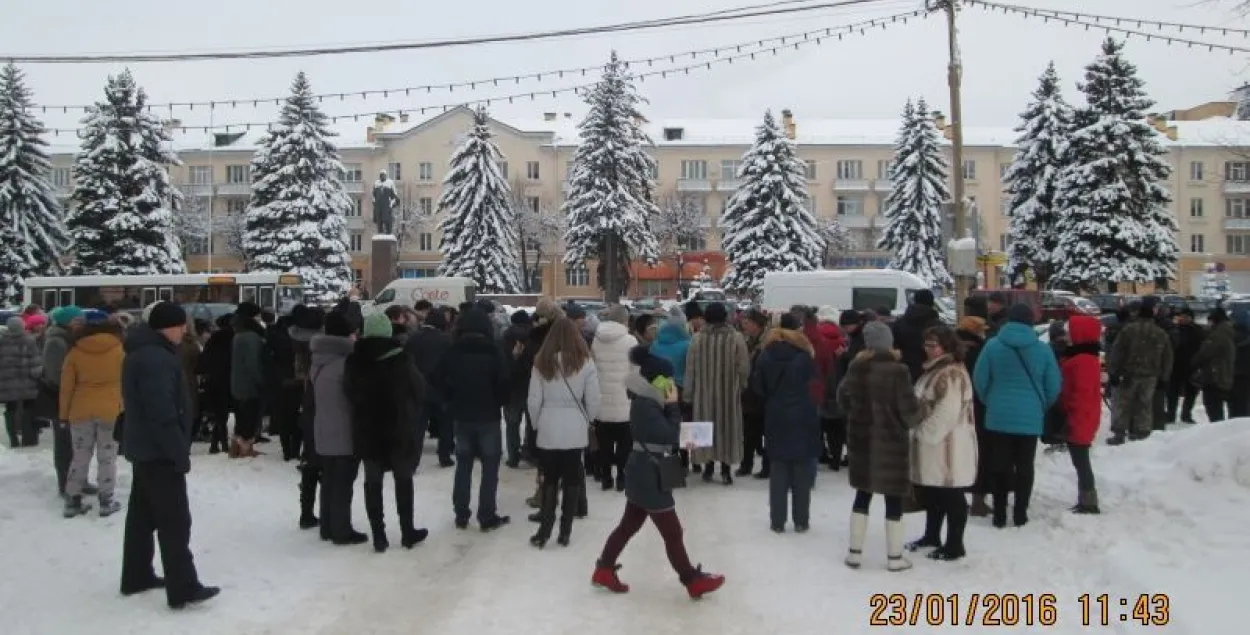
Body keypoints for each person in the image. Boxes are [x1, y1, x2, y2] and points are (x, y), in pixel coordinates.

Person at [591, 346, 725, 599]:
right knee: (672, 532)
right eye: (668, 380)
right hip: (648, 474)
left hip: (646, 469)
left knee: (628, 525)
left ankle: (604, 569)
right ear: (657, 380)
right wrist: (673, 408)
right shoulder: (645, 404)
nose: (672, 385)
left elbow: (665, 436)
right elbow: (668, 433)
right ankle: (691, 581)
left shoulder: (649, 401)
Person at [119, 302, 219, 609]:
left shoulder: (141, 351)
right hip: (160, 451)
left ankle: (136, 575)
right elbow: (161, 412)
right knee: (175, 520)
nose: (184, 330)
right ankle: (184, 586)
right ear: (167, 327)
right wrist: (178, 452)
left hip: (144, 448)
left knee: (142, 517)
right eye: (180, 325)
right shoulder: (157, 360)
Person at [837, 321, 925, 572]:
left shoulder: (856, 367)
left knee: (862, 495)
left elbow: (842, 400)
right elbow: (910, 413)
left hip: (862, 441)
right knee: (893, 499)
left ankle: (855, 553)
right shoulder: (899, 371)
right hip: (891, 444)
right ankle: (894, 557)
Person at [345, 314, 428, 552]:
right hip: (398, 428)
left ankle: (379, 535)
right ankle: (407, 531)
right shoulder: (401, 359)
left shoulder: (354, 361)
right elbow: (419, 389)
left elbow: (348, 392)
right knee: (403, 480)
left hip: (368, 430)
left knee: (373, 482)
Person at [973, 304, 1060, 528]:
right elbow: (1053, 385)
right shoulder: (1042, 349)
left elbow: (980, 380)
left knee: (999, 464)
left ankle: (999, 513)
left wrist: (990, 400)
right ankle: (1020, 512)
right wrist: (1040, 404)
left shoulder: (992, 346)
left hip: (998, 415)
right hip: (1030, 416)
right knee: (1025, 465)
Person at [527, 317, 601, 548]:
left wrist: (537, 423)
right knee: (571, 479)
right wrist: (587, 419)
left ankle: (545, 529)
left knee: (549, 479)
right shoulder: (585, 362)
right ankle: (565, 530)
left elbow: (533, 400)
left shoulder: (541, 362)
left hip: (549, 423)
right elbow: (594, 399)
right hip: (575, 425)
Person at [435, 308, 511, 531]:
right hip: (488, 415)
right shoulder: (494, 351)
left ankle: (461, 513)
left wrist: (450, 400)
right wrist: (498, 401)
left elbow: (438, 379)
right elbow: (504, 382)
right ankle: (486, 515)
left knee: (463, 465)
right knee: (490, 467)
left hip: (461, 415)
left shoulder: (452, 351)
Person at [907, 326, 977, 561]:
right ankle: (932, 535)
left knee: (951, 494)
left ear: (946, 346)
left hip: (948, 445)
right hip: (934, 445)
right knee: (934, 491)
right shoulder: (934, 370)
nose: (928, 350)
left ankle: (955, 545)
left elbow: (947, 412)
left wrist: (923, 434)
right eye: (926, 344)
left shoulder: (951, 373)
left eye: (933, 345)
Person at [752, 314, 820, 533]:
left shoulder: (766, 355)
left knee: (778, 468)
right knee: (801, 469)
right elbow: (815, 385)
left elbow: (758, 387)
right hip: (803, 415)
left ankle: (777, 521)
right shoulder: (804, 357)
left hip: (776, 414)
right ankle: (801, 520)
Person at [306, 312, 366, 543]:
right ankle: (341, 530)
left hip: (323, 428)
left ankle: (328, 526)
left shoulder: (319, 360)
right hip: (344, 431)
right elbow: (357, 397)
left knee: (329, 480)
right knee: (343, 483)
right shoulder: (346, 363)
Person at [60, 315, 127, 518]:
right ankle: (106, 500)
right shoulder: (118, 350)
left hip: (80, 410)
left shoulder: (75, 352)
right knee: (107, 457)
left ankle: (72, 499)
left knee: (80, 455)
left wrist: (63, 415)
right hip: (110, 410)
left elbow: (66, 387)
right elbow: (126, 382)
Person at [685, 302, 750, 485]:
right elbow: (743, 366)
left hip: (703, 394)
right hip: (728, 393)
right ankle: (726, 470)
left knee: (705, 427)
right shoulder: (736, 338)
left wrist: (689, 393)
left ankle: (708, 467)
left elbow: (690, 369)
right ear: (725, 317)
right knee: (727, 428)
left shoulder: (697, 339)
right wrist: (741, 385)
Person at [1106, 298, 1172, 444]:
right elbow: (1167, 357)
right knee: (1144, 404)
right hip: (1150, 376)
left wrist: (1114, 372)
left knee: (1122, 403)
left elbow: (1117, 352)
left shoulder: (1128, 330)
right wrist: (1164, 377)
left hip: (1128, 374)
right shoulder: (1161, 333)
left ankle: (1119, 434)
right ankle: (1141, 432)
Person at [1059, 315, 1102, 514]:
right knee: (1080, 460)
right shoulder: (1086, 358)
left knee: (1081, 461)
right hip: (1083, 415)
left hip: (1079, 416)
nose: (1067, 336)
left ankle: (1089, 500)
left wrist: (1068, 413)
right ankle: (1085, 498)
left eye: (1070, 332)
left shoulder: (1081, 361)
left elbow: (1080, 393)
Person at [43, 306, 88, 496]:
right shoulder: (56, 342)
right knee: (65, 445)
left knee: (78, 444)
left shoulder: (68, 339)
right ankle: (66, 485)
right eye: (78, 320)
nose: (82, 324)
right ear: (68, 322)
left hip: (74, 398)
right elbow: (56, 375)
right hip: (61, 400)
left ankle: (80, 481)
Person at [593, 305, 637, 492]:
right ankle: (621, 477)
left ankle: (605, 478)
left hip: (601, 399)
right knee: (624, 443)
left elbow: (593, 369)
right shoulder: (630, 340)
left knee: (604, 443)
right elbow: (635, 371)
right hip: (623, 401)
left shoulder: (596, 340)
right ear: (624, 320)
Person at [404, 308, 454, 467]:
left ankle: (413, 461)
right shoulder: (447, 340)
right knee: (446, 424)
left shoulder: (413, 338)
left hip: (418, 388)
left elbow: (406, 362)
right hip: (441, 388)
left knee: (418, 427)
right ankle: (444, 456)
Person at [955, 316, 992, 517]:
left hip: (957, 407)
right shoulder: (981, 351)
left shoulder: (952, 349)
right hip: (978, 406)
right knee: (980, 453)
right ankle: (978, 499)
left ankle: (957, 496)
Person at [229, 302, 267, 458]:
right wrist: (260, 380)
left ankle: (236, 447)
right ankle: (245, 450)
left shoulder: (238, 333)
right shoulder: (252, 337)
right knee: (249, 418)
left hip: (237, 382)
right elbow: (253, 363)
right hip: (249, 385)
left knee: (241, 417)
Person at [734, 309, 769, 478]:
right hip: (749, 392)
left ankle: (766, 467)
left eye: (747, 323)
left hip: (763, 392)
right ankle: (746, 464)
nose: (743, 326)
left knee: (766, 431)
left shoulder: (768, 341)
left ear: (757, 323)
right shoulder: (747, 340)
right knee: (749, 431)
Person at [0, 316, 42, 448]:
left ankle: (13, 438)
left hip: (7, 382)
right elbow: (35, 364)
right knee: (28, 408)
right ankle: (28, 439)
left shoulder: (2, 341)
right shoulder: (29, 341)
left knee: (10, 409)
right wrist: (37, 376)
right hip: (27, 382)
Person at [197, 314, 234, 455]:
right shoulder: (232, 338)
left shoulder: (212, 340)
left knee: (219, 414)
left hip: (213, 381)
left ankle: (217, 444)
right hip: (228, 379)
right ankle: (221, 444)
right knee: (223, 415)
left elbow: (202, 363)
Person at [1191, 307, 1235, 422]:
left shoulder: (1218, 334)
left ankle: (1217, 433)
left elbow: (1205, 352)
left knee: (1213, 408)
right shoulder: (1229, 330)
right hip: (1225, 374)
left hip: (1215, 375)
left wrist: (1194, 361)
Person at [502, 310, 534, 468]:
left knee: (512, 424)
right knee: (532, 423)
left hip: (511, 387)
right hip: (531, 385)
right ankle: (530, 453)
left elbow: (501, 363)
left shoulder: (505, 337)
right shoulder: (534, 336)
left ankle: (513, 457)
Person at [892, 289, 943, 382]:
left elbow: (894, 347)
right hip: (932, 372)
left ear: (914, 301)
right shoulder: (938, 326)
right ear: (931, 303)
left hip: (905, 373)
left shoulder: (899, 323)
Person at [1166, 308, 1204, 425]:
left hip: (1191, 366)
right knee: (1172, 393)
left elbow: (1202, 348)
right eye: (1181, 316)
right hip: (1175, 366)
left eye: (1185, 316)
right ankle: (1171, 414)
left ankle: (1186, 414)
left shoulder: (1198, 330)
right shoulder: (1174, 330)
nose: (1182, 318)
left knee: (1191, 392)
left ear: (1191, 318)